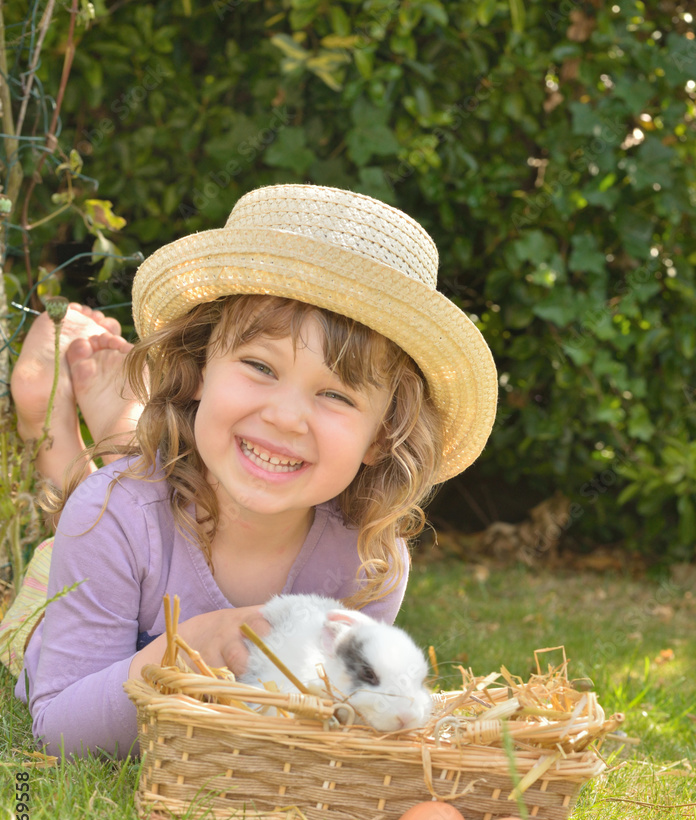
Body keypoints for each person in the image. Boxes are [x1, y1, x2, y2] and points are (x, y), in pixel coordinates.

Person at [3, 183, 498, 759]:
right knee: (86, 506)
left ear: (382, 436)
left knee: (146, 485)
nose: (286, 417)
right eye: (260, 366)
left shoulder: (369, 561)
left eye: (336, 396)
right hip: (78, 578)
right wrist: (192, 645)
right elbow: (59, 728)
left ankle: (123, 424)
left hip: (171, 500)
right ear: (196, 369)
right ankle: (50, 421)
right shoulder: (110, 519)